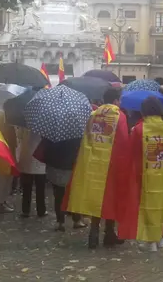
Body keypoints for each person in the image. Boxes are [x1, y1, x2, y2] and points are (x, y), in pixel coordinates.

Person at [65, 88, 130, 248]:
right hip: (111, 165)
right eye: (120, 100)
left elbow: (86, 139)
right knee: (110, 199)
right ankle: (109, 234)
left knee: (95, 199)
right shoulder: (119, 116)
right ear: (115, 100)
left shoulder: (94, 115)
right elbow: (122, 142)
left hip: (92, 163)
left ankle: (93, 234)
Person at [118, 96, 163, 252]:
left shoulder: (139, 129)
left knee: (145, 206)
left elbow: (132, 152)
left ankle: (149, 241)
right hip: (161, 173)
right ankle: (160, 238)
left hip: (144, 173)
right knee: (160, 205)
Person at [17, 126, 46, 217]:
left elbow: (20, 137)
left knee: (26, 187)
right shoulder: (45, 126)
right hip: (40, 159)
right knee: (40, 188)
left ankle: (25, 210)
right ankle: (41, 210)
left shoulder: (25, 124)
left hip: (26, 158)